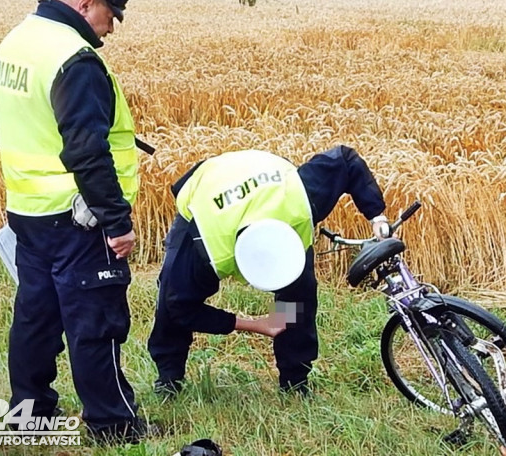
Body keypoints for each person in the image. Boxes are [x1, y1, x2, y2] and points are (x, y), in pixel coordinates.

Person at [0, 0, 149, 444]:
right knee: (95, 321)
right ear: (86, 3)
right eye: (111, 15)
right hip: (78, 219)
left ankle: (29, 415)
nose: (112, 29)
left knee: (36, 317)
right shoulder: (73, 58)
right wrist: (116, 220)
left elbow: (0, 127)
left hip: (27, 210)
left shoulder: (17, 41)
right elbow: (87, 149)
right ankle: (113, 426)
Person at [148, 145, 391, 397]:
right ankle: (169, 378)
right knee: (170, 297)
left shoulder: (301, 199)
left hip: (269, 176)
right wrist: (255, 324)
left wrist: (377, 218)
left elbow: (345, 159)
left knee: (298, 297)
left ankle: (295, 381)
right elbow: (180, 307)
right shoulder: (208, 246)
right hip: (210, 184)